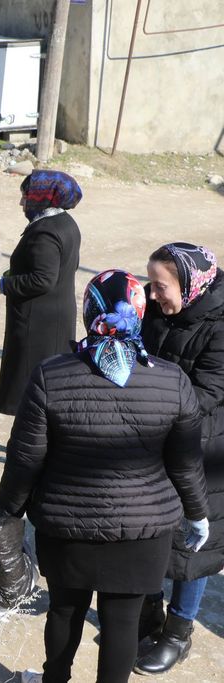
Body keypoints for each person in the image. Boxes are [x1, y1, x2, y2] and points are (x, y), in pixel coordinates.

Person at [0, 269, 210, 683]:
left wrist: (7, 512)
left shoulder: (51, 374)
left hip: (65, 525)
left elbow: (26, 458)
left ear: (89, 311)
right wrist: (198, 514)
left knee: (63, 611)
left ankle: (54, 679)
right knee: (123, 622)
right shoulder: (172, 380)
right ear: (140, 314)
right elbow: (185, 462)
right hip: (144, 532)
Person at [134, 243, 224, 675]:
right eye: (150, 284)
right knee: (147, 529)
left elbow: (209, 391)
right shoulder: (158, 309)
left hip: (202, 446)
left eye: (160, 286)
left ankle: (178, 631)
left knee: (193, 543)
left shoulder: (221, 323)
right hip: (155, 437)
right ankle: (148, 614)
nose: (152, 295)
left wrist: (152, 405)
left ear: (190, 283)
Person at [0, 170, 83, 415]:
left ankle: (27, 447)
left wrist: (3, 286)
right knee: (50, 389)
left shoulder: (44, 232)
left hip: (38, 325)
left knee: (31, 393)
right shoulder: (65, 223)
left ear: (42, 198)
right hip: (55, 317)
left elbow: (43, 279)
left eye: (25, 196)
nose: (22, 202)